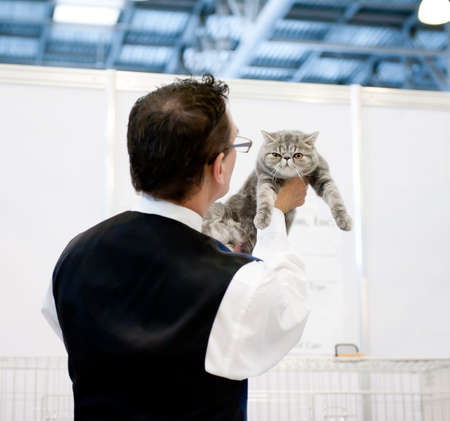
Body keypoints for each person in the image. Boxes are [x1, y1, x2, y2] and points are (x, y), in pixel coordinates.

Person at [42, 74, 310, 421]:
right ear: (218, 167)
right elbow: (286, 309)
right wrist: (273, 214)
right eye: (235, 147)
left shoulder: (72, 257)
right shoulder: (236, 283)